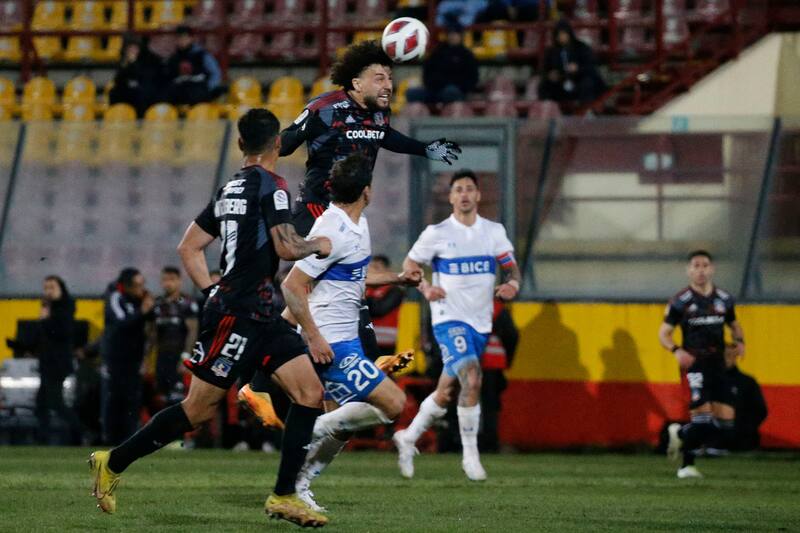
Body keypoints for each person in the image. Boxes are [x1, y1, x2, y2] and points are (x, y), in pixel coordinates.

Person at [89, 108, 333, 528]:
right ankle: (112, 461)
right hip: (238, 314)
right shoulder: (272, 185)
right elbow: (288, 247)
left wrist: (209, 290)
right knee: (198, 411)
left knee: (309, 392)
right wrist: (318, 244)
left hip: (258, 311)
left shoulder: (228, 187)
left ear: (241, 145)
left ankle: (285, 495)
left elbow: (189, 247)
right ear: (278, 144)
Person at [240, 40, 461, 417]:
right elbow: (285, 144)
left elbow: (385, 137)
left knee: (342, 290)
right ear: (356, 83)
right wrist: (261, 177)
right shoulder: (324, 109)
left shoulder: (378, 115)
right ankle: (265, 381)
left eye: (390, 77)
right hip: (316, 213)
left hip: (349, 215)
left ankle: (339, 369)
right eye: (380, 78)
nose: (388, 84)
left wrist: (424, 148)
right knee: (304, 290)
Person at [280, 153, 420, 512]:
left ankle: (300, 483)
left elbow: (355, 274)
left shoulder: (358, 224)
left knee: (342, 426)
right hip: (331, 340)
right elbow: (293, 284)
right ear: (367, 191)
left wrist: (397, 279)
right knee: (394, 404)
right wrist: (313, 336)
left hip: (348, 339)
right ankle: (302, 433)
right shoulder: (331, 229)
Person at [393, 169, 521, 481]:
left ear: (478, 195)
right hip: (448, 320)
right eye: (458, 190)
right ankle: (470, 456)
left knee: (445, 390)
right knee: (473, 379)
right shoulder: (437, 233)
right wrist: (425, 288)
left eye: (469, 189)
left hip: (479, 324)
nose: (464, 194)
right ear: (451, 197)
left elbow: (511, 269)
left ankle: (408, 437)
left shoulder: (493, 232)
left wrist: (512, 286)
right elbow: (409, 266)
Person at [659, 250, 746, 478]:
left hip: (718, 365)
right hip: (695, 365)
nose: (700, 270)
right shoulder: (681, 301)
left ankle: (680, 432)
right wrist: (677, 351)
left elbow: (735, 325)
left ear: (712, 269)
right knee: (703, 419)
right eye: (696, 265)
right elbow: (664, 333)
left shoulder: (724, 299)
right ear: (689, 270)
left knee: (726, 426)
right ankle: (687, 465)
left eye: (705, 265)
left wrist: (739, 342)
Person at [100, 268, 154, 445]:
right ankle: (109, 440)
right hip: (116, 358)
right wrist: (143, 311)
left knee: (133, 399)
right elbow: (121, 322)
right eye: (138, 286)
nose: (142, 289)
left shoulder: (140, 299)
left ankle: (129, 441)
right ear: (127, 286)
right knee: (114, 399)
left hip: (134, 359)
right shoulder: (115, 297)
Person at [36, 275, 82, 445]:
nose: (48, 291)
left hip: (58, 363)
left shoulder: (66, 307)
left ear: (61, 289)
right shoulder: (48, 307)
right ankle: (42, 439)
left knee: (55, 402)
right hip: (47, 362)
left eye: (52, 287)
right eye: (46, 287)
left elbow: (61, 333)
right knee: (41, 403)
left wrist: (46, 319)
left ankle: (79, 433)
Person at [148, 266, 198, 405]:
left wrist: (186, 356)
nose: (168, 283)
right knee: (160, 398)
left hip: (179, 356)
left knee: (178, 399)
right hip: (161, 356)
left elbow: (192, 331)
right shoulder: (157, 303)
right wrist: (146, 358)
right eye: (165, 279)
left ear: (179, 281)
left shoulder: (187, 303)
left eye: (172, 279)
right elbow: (152, 332)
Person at [406, 19, 479, 105]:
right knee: (412, 93)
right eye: (450, 33)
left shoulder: (467, 55)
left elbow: (472, 78)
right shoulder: (438, 52)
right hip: (434, 89)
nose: (452, 36)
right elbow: (427, 71)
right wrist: (432, 83)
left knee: (451, 92)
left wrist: (459, 86)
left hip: (455, 91)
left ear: (461, 36)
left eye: (455, 34)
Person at [538, 19, 606, 105]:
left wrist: (578, 68)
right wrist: (550, 74)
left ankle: (586, 111)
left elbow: (591, 67)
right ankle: (549, 111)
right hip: (560, 82)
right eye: (559, 34)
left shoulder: (581, 48)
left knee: (588, 83)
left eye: (563, 34)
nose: (561, 37)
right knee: (544, 85)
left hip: (579, 80)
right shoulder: (552, 51)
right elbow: (545, 69)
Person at [109, 33, 165, 117]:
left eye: (135, 48)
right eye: (130, 48)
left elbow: (142, 76)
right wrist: (127, 66)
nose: (133, 50)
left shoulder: (145, 60)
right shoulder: (123, 62)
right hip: (126, 90)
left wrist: (133, 63)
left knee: (141, 95)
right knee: (113, 93)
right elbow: (118, 80)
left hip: (140, 91)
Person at [165, 25, 223, 106]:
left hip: (198, 91)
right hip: (180, 91)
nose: (182, 41)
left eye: (185, 38)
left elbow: (216, 74)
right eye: (179, 38)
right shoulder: (173, 58)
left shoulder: (202, 55)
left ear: (191, 38)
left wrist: (208, 88)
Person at [366, 255, 407, 355]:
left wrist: (364, 298)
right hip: (365, 339)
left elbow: (379, 310)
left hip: (386, 342)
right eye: (370, 267)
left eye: (376, 267)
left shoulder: (395, 290)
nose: (372, 271)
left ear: (387, 270)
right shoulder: (365, 288)